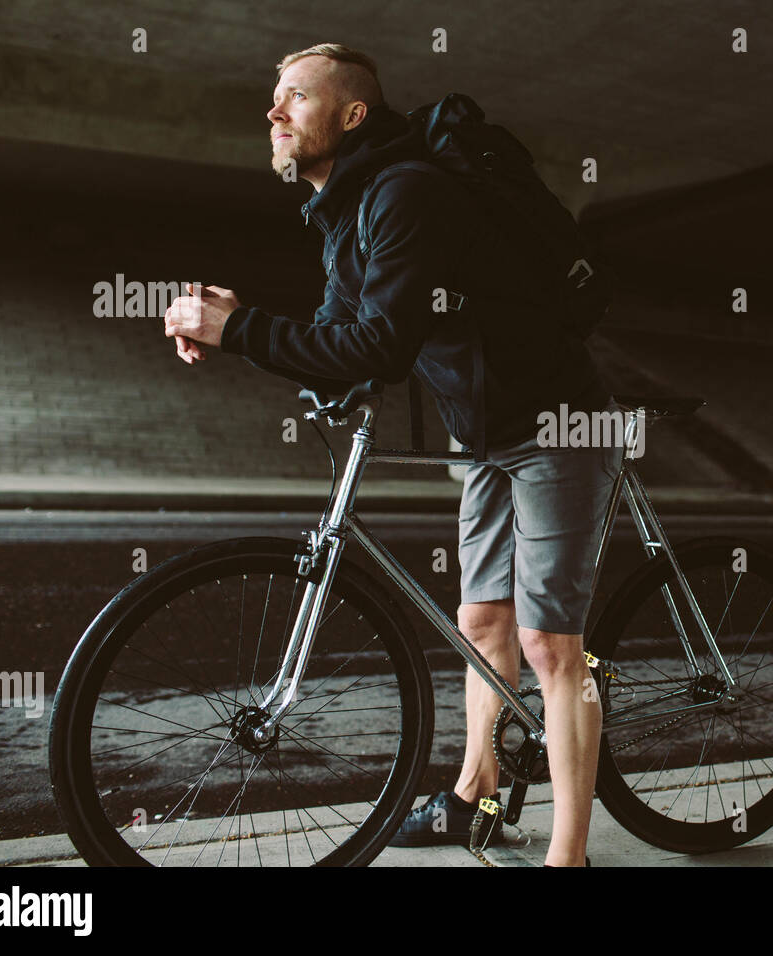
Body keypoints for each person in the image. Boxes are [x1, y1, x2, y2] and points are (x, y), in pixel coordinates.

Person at [162, 43, 615, 867]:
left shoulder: (405, 193)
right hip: (487, 434)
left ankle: (570, 856)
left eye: (294, 97)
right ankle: (472, 799)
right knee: (481, 624)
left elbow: (381, 340)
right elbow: (349, 343)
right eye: (275, 99)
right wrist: (246, 328)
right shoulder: (347, 209)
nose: (272, 112)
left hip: (557, 425)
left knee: (552, 646)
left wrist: (239, 332)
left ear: (352, 115)